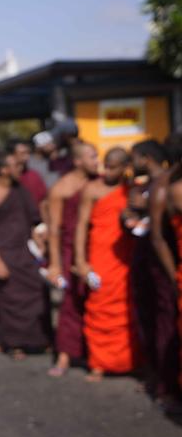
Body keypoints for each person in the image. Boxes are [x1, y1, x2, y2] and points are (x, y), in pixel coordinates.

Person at [74, 147, 141, 379]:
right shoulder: (92, 190)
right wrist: (81, 261)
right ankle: (99, 363)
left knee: (127, 309)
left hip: (125, 256)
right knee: (99, 307)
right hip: (100, 255)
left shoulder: (132, 191)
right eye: (106, 165)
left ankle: (129, 361)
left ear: (125, 168)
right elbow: (81, 226)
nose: (107, 171)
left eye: (113, 167)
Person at [0, 153, 51, 357]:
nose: (20, 168)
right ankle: (14, 343)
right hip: (5, 252)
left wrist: (39, 237)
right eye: (14, 165)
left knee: (37, 293)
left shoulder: (21, 191)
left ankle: (39, 339)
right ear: (3, 170)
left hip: (25, 250)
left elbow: (33, 218)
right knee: (11, 299)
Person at [128, 140, 179, 403]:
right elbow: (158, 238)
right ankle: (167, 385)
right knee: (166, 323)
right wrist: (174, 276)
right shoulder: (163, 186)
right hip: (165, 268)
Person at [44, 142, 99, 377]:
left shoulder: (101, 183)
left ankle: (97, 353)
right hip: (69, 250)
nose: (97, 161)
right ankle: (65, 355)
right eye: (92, 157)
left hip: (97, 247)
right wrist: (55, 264)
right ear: (77, 161)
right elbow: (54, 229)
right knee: (70, 303)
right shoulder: (61, 188)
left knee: (99, 301)